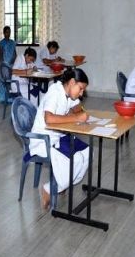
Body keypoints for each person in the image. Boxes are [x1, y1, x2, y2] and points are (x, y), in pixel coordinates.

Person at [29, 68, 90, 210]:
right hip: (44, 139)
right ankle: (49, 189)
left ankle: (63, 184)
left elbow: (77, 107)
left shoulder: (68, 94)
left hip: (58, 135)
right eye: (80, 89)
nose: (81, 93)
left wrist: (79, 111)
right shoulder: (54, 92)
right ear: (72, 82)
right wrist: (76, 117)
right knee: (77, 159)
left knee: (87, 152)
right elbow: (49, 118)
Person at [0, 26, 17, 102]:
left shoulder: (12, 42)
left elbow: (15, 54)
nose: (8, 33)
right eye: (6, 32)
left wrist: (14, 62)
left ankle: (10, 97)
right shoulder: (1, 43)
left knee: (11, 80)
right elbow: (1, 55)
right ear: (3, 33)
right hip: (5, 65)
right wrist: (3, 66)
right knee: (4, 81)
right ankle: (3, 97)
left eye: (9, 32)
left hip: (12, 65)